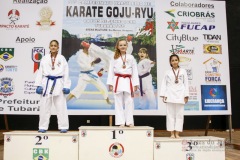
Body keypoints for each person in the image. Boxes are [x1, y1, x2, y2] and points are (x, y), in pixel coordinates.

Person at [35, 40, 71, 133]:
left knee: (61, 106)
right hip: (46, 83)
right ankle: (42, 126)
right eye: (52, 45)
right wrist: (38, 85)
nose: (53, 47)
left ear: (58, 47)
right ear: (49, 47)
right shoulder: (44, 58)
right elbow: (40, 72)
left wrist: (66, 85)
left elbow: (66, 72)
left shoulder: (62, 58)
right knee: (44, 106)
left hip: (58, 83)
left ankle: (63, 126)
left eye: (55, 45)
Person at [107, 39, 139, 127]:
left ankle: (129, 121)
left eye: (124, 45)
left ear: (127, 46)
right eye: (120, 45)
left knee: (129, 101)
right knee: (118, 102)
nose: (122, 46)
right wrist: (110, 83)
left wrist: (135, 84)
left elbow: (135, 71)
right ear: (117, 46)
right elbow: (110, 71)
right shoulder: (114, 57)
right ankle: (120, 122)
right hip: (118, 80)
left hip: (128, 80)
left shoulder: (131, 57)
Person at [160, 54, 189, 138]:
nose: (174, 62)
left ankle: (177, 133)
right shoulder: (167, 72)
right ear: (170, 62)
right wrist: (164, 95)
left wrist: (186, 95)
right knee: (170, 114)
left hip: (180, 94)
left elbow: (186, 83)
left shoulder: (183, 71)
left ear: (178, 61)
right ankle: (172, 133)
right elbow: (164, 84)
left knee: (179, 114)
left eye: (176, 60)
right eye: (172, 60)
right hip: (169, 94)